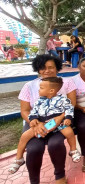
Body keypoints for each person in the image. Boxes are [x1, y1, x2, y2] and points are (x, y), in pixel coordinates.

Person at [18, 55, 77, 183]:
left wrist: (60, 118)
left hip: (59, 121)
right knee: (34, 148)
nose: (47, 70)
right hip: (35, 121)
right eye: (43, 68)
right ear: (38, 69)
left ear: (57, 68)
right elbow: (25, 110)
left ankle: (60, 176)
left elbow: (71, 104)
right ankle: (34, 181)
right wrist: (35, 124)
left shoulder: (66, 82)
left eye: (51, 67)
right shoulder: (29, 86)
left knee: (55, 144)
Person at [8, 77, 80, 175]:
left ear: (51, 90)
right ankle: (19, 158)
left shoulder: (63, 99)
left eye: (41, 88)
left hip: (57, 122)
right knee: (25, 136)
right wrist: (33, 119)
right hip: (42, 124)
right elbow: (34, 111)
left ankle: (73, 150)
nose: (39, 90)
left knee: (69, 132)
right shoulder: (39, 101)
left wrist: (68, 118)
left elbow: (69, 108)